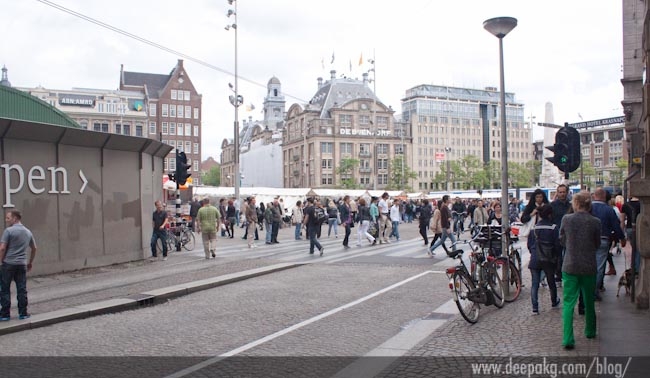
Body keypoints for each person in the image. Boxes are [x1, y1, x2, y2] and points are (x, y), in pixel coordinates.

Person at [559, 191, 601, 350]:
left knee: (569, 302)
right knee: (589, 300)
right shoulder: (595, 221)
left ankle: (568, 339)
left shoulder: (567, 219)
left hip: (570, 265)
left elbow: (561, 239)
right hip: (589, 266)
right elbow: (597, 243)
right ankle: (590, 330)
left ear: (575, 204)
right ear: (589, 205)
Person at [0, 210, 37, 321]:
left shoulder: (8, 231)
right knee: (21, 289)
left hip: (8, 264)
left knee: (5, 289)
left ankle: (5, 314)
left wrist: (0, 261)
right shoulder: (27, 232)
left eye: (8, 218)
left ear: (15, 218)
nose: (6, 220)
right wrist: (30, 262)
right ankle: (23, 313)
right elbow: (34, 248)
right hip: (22, 264)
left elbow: (2, 248)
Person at [591, 188, 625, 301]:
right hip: (603, 239)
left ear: (594, 196)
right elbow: (616, 226)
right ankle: (594, 291)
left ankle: (587, 290)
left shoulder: (588, 208)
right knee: (600, 267)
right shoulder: (609, 210)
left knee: (589, 265)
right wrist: (622, 238)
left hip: (588, 240)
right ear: (604, 196)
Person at [530, 204, 560, 314]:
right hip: (548, 258)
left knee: (535, 284)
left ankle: (535, 307)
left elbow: (530, 244)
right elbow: (557, 245)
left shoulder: (534, 228)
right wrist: (557, 258)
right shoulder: (553, 227)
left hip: (535, 258)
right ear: (550, 214)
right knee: (551, 281)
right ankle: (554, 301)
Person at [550, 184, 571, 286]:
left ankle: (565, 274)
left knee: (567, 255)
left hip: (569, 234)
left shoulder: (571, 206)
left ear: (567, 193)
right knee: (557, 256)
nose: (562, 194)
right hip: (556, 234)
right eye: (560, 192)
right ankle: (558, 275)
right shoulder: (553, 206)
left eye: (564, 192)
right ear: (557, 193)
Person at [621, 196, 641, 273]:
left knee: (634, 249)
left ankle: (634, 266)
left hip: (629, 228)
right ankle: (636, 268)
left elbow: (622, 220)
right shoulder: (641, 205)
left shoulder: (625, 205)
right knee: (638, 249)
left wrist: (622, 234)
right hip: (639, 228)